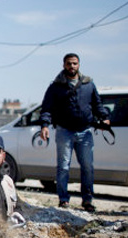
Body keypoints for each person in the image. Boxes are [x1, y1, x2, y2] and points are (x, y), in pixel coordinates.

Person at [40, 53, 109, 212]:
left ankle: (87, 200)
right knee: (63, 167)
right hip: (64, 131)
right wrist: (44, 125)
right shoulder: (56, 86)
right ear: (64, 65)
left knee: (87, 167)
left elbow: (97, 104)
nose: (72, 66)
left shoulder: (88, 84)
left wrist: (104, 118)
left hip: (85, 132)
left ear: (79, 65)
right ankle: (63, 200)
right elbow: (46, 108)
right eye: (69, 64)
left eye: (75, 63)